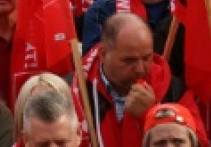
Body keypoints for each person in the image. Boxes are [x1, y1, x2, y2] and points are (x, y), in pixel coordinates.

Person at [84, 14, 196, 147]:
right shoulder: (78, 89)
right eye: (129, 60)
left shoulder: (173, 89)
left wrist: (152, 116)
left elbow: (199, 142)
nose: (140, 69)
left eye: (146, 58)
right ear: (103, 54)